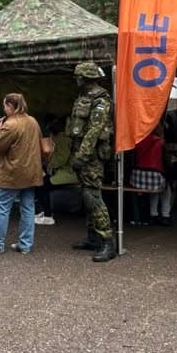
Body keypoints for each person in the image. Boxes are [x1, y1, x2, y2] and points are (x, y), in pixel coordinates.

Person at [0, 93, 43, 254]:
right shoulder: (33, 121)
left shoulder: (10, 125)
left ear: (10, 106)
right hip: (31, 172)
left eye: (5, 106)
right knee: (28, 208)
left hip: (12, 173)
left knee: (2, 207)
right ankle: (25, 245)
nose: (4, 108)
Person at [69, 62, 117, 262]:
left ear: (85, 78)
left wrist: (82, 154)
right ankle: (93, 238)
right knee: (86, 195)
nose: (76, 79)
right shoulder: (85, 97)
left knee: (93, 196)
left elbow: (95, 131)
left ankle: (107, 241)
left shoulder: (101, 100)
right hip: (83, 153)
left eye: (78, 76)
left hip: (92, 156)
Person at [131, 124, 171, 226]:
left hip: (137, 178)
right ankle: (165, 216)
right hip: (155, 176)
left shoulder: (138, 140)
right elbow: (167, 163)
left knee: (154, 190)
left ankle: (153, 214)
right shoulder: (161, 142)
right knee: (166, 189)